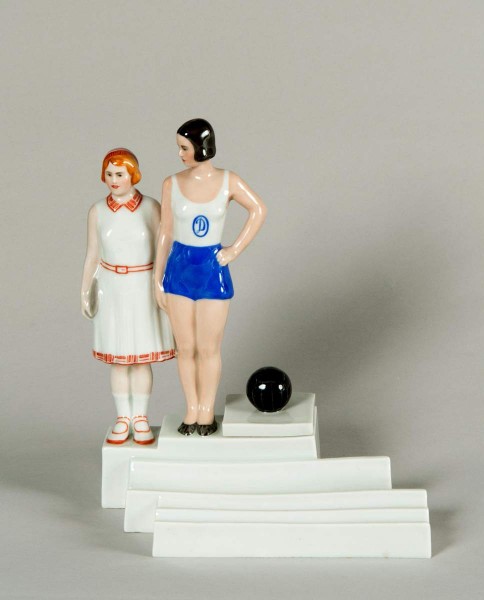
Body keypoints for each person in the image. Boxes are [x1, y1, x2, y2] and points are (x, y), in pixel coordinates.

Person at [154, 119, 267, 436]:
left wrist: (234, 250)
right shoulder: (171, 183)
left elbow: (258, 209)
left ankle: (206, 409)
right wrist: (157, 278)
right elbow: (165, 232)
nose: (180, 154)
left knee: (208, 347)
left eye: (184, 148)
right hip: (179, 268)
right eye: (179, 148)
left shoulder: (229, 180)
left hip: (210, 269)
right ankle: (191, 408)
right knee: (185, 347)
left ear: (201, 147)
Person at [81, 148, 175, 445]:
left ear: (133, 175)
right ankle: (123, 417)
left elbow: (165, 249)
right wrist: (85, 289)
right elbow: (93, 253)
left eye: (120, 174)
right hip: (111, 288)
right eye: (109, 174)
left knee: (141, 358)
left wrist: (162, 285)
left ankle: (141, 417)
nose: (114, 179)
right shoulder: (97, 211)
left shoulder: (151, 208)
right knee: (119, 359)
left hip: (143, 286)